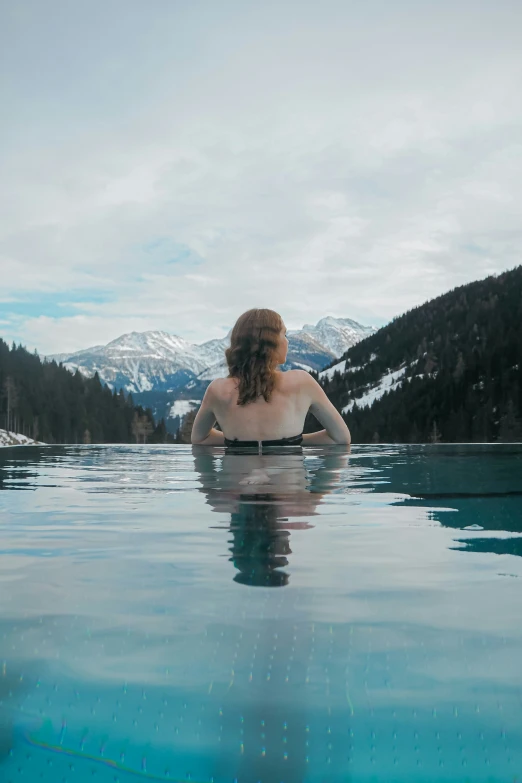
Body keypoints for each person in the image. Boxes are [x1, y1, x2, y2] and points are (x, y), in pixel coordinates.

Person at [190, 308, 352, 447]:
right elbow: (341, 438)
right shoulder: (301, 382)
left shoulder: (217, 389)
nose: (287, 342)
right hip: (288, 481)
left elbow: (199, 439)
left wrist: (235, 440)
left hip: (237, 481)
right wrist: (292, 441)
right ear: (271, 342)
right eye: (284, 334)